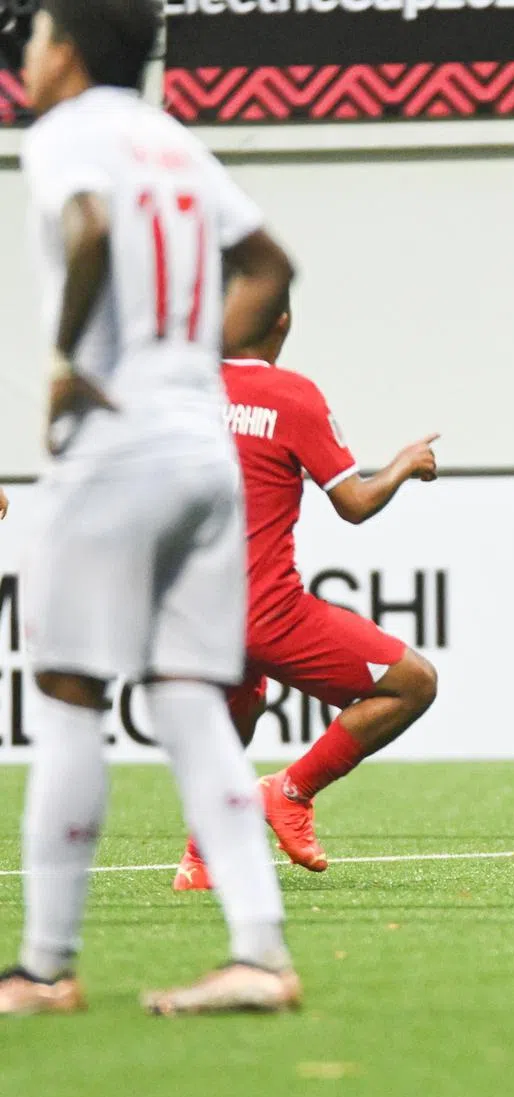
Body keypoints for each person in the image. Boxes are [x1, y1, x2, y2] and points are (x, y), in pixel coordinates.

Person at [0, 0, 301, 1017]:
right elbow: (272, 266)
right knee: (186, 698)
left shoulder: (64, 135)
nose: (25, 55)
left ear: (67, 50)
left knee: (70, 693)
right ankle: (258, 956)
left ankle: (45, 969)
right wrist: (184, 364)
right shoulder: (177, 143)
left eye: (32, 37)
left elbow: (86, 228)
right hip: (201, 447)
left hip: (118, 444)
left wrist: (65, 366)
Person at [172, 292, 439, 891]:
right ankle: (288, 791)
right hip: (268, 613)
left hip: (194, 614)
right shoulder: (292, 395)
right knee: (412, 684)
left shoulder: (179, 394)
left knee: (237, 710)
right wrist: (402, 463)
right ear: (282, 322)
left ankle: (201, 857)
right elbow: (355, 505)